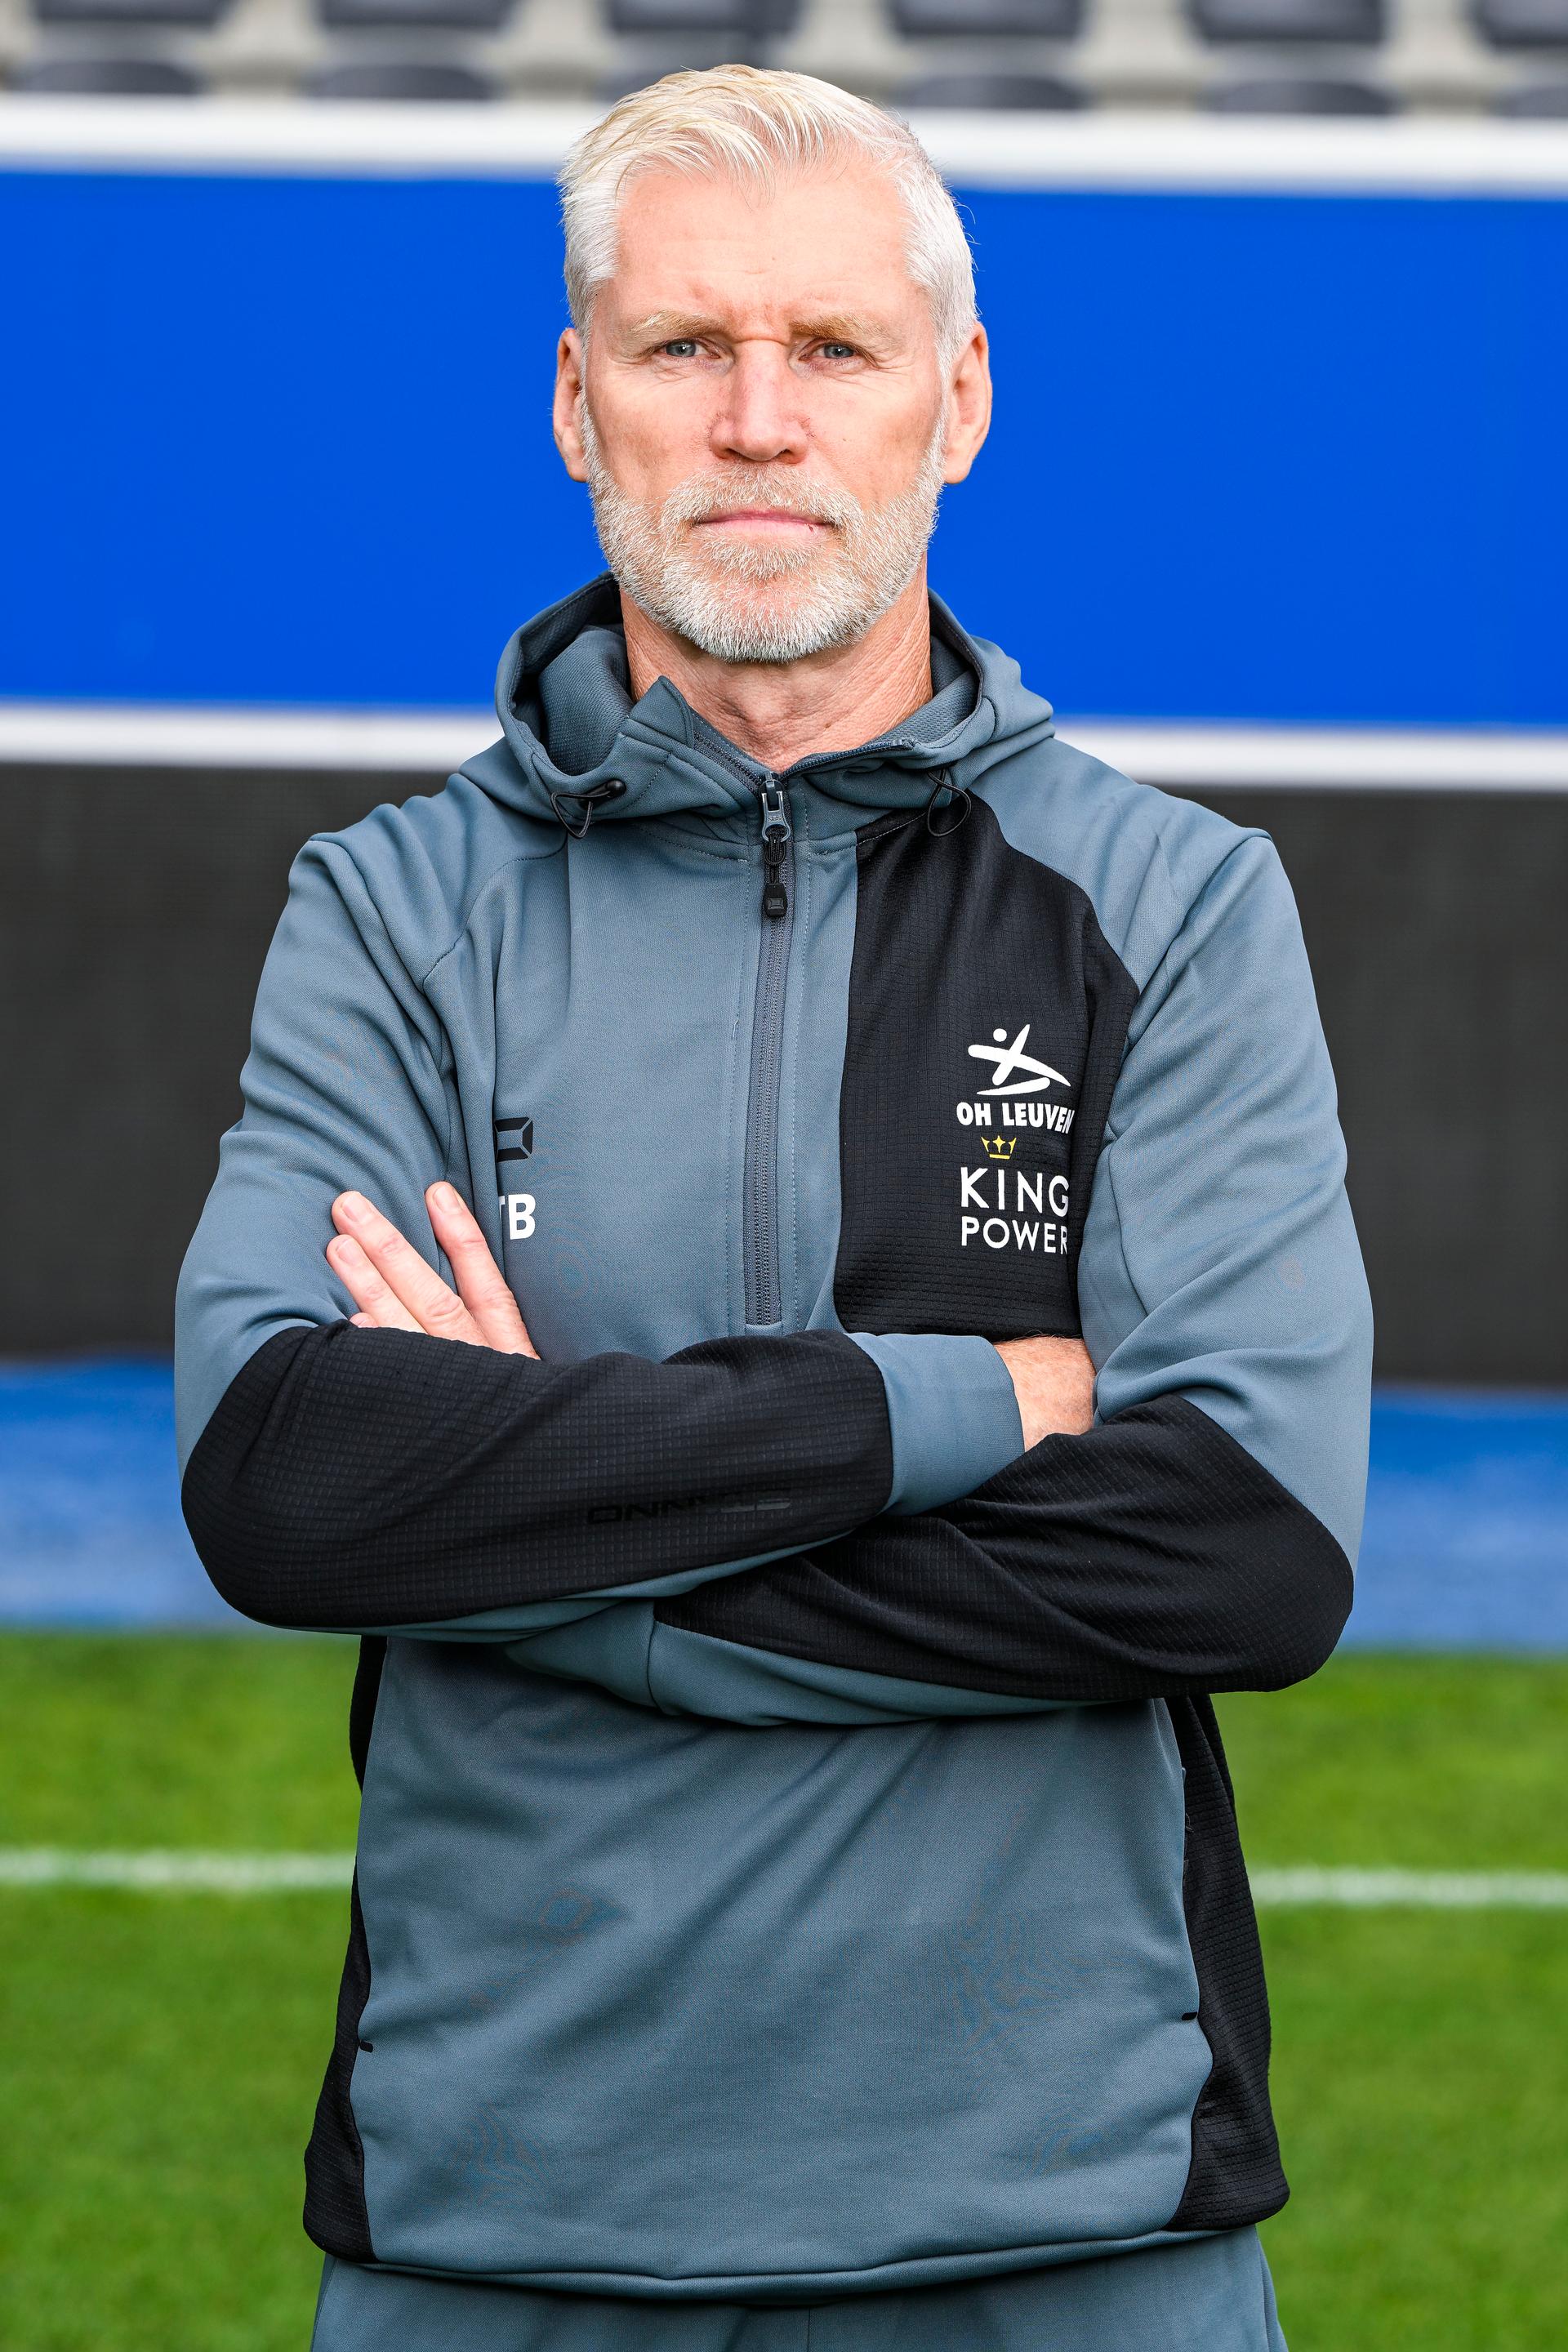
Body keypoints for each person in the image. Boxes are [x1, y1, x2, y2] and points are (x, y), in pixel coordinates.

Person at [176, 64, 1371, 2352]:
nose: (753, 421)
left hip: (1064, 2218)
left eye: (828, 348)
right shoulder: (395, 912)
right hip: (501, 2206)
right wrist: (961, 1402)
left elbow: (1240, 1542)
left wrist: (548, 1532)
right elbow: (293, 1489)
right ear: (574, 402)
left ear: (957, 399)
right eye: (678, 349)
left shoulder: (1178, 907)